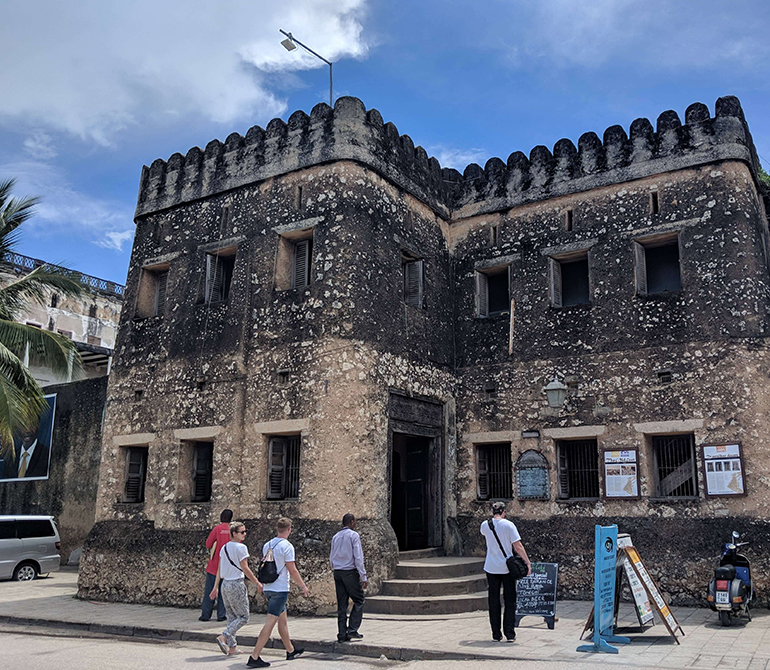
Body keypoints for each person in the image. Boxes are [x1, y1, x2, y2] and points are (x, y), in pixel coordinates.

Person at [247, 517, 308, 668]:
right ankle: (254, 656)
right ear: (289, 530)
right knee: (270, 622)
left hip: (268, 587)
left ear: (277, 529)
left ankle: (290, 650)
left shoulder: (268, 544)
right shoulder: (287, 546)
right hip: (280, 589)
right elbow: (292, 569)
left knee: (283, 621)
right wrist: (303, 586)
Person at [480, 501, 532, 643]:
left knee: (494, 600)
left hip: (491, 566)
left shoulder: (485, 525)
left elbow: (486, 536)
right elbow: (518, 545)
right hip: (507, 567)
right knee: (510, 600)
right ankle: (509, 633)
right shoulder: (509, 525)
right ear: (504, 512)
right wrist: (527, 562)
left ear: (492, 512)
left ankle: (496, 633)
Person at [209, 521, 262, 656]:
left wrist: (215, 587)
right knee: (244, 617)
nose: (245, 534)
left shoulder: (224, 548)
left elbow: (220, 569)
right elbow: (245, 567)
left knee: (232, 617)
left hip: (225, 585)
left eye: (245, 531)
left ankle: (232, 648)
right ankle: (224, 636)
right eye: (242, 532)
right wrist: (256, 582)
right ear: (234, 533)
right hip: (236, 584)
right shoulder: (241, 548)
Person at [329, 513, 367, 642]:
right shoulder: (353, 536)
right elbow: (358, 557)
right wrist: (363, 576)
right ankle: (352, 629)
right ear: (351, 522)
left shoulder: (335, 536)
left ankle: (341, 633)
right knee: (359, 599)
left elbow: (331, 555)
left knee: (342, 603)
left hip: (338, 571)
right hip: (349, 571)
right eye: (354, 522)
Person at [200, 509, 234, 621]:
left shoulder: (217, 529)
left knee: (210, 590)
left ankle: (205, 615)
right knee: (223, 592)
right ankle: (221, 615)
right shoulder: (233, 531)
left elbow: (208, 544)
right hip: (227, 566)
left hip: (214, 565)